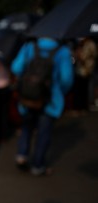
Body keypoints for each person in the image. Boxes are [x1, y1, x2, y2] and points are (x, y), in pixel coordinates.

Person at [11, 37, 74, 176]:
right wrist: (58, 91)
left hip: (28, 96)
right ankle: (37, 165)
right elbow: (66, 79)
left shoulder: (29, 47)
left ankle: (22, 155)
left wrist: (29, 82)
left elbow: (16, 67)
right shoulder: (63, 51)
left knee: (27, 127)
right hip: (50, 100)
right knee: (43, 132)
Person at [71, 37, 97, 115]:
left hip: (86, 70)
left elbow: (87, 56)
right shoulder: (82, 44)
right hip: (82, 70)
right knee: (81, 89)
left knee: (83, 89)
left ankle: (82, 107)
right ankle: (82, 107)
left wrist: (79, 55)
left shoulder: (90, 44)